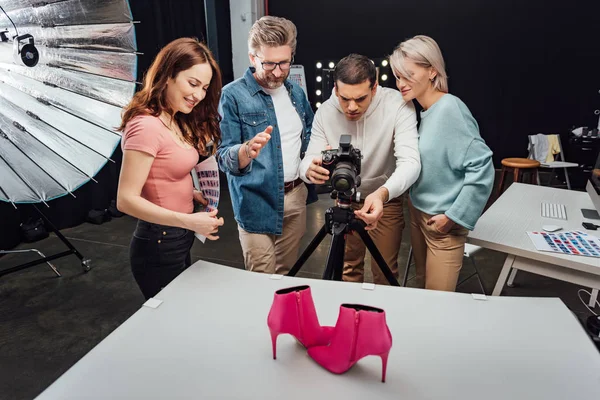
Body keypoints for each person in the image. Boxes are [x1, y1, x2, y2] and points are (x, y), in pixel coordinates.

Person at [117, 38, 225, 299]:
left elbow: (164, 172)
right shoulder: (146, 126)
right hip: (159, 242)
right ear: (168, 76)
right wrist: (189, 221)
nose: (199, 95)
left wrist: (191, 195)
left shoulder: (174, 119)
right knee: (171, 320)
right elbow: (125, 200)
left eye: (205, 87)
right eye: (193, 83)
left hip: (176, 237)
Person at [300, 53, 421, 285]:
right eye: (344, 98)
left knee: (384, 272)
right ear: (335, 88)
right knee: (348, 269)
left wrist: (382, 194)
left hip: (386, 199)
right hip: (344, 200)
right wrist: (309, 169)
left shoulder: (397, 105)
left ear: (374, 87)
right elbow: (309, 157)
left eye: (360, 98)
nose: (352, 107)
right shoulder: (326, 111)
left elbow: (411, 162)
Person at [389, 35, 494, 292]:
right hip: (419, 213)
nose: (401, 83)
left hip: (443, 224)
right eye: (397, 76)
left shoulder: (450, 109)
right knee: (425, 289)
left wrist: (454, 216)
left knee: (438, 301)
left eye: (408, 74)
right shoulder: (425, 111)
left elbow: (482, 167)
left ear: (432, 71)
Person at [216, 16, 316, 275]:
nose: (278, 71)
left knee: (286, 276)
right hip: (255, 201)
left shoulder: (296, 92)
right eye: (269, 63)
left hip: (296, 197)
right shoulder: (233, 95)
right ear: (252, 58)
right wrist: (245, 150)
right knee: (260, 282)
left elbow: (310, 137)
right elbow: (222, 155)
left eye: (284, 62)